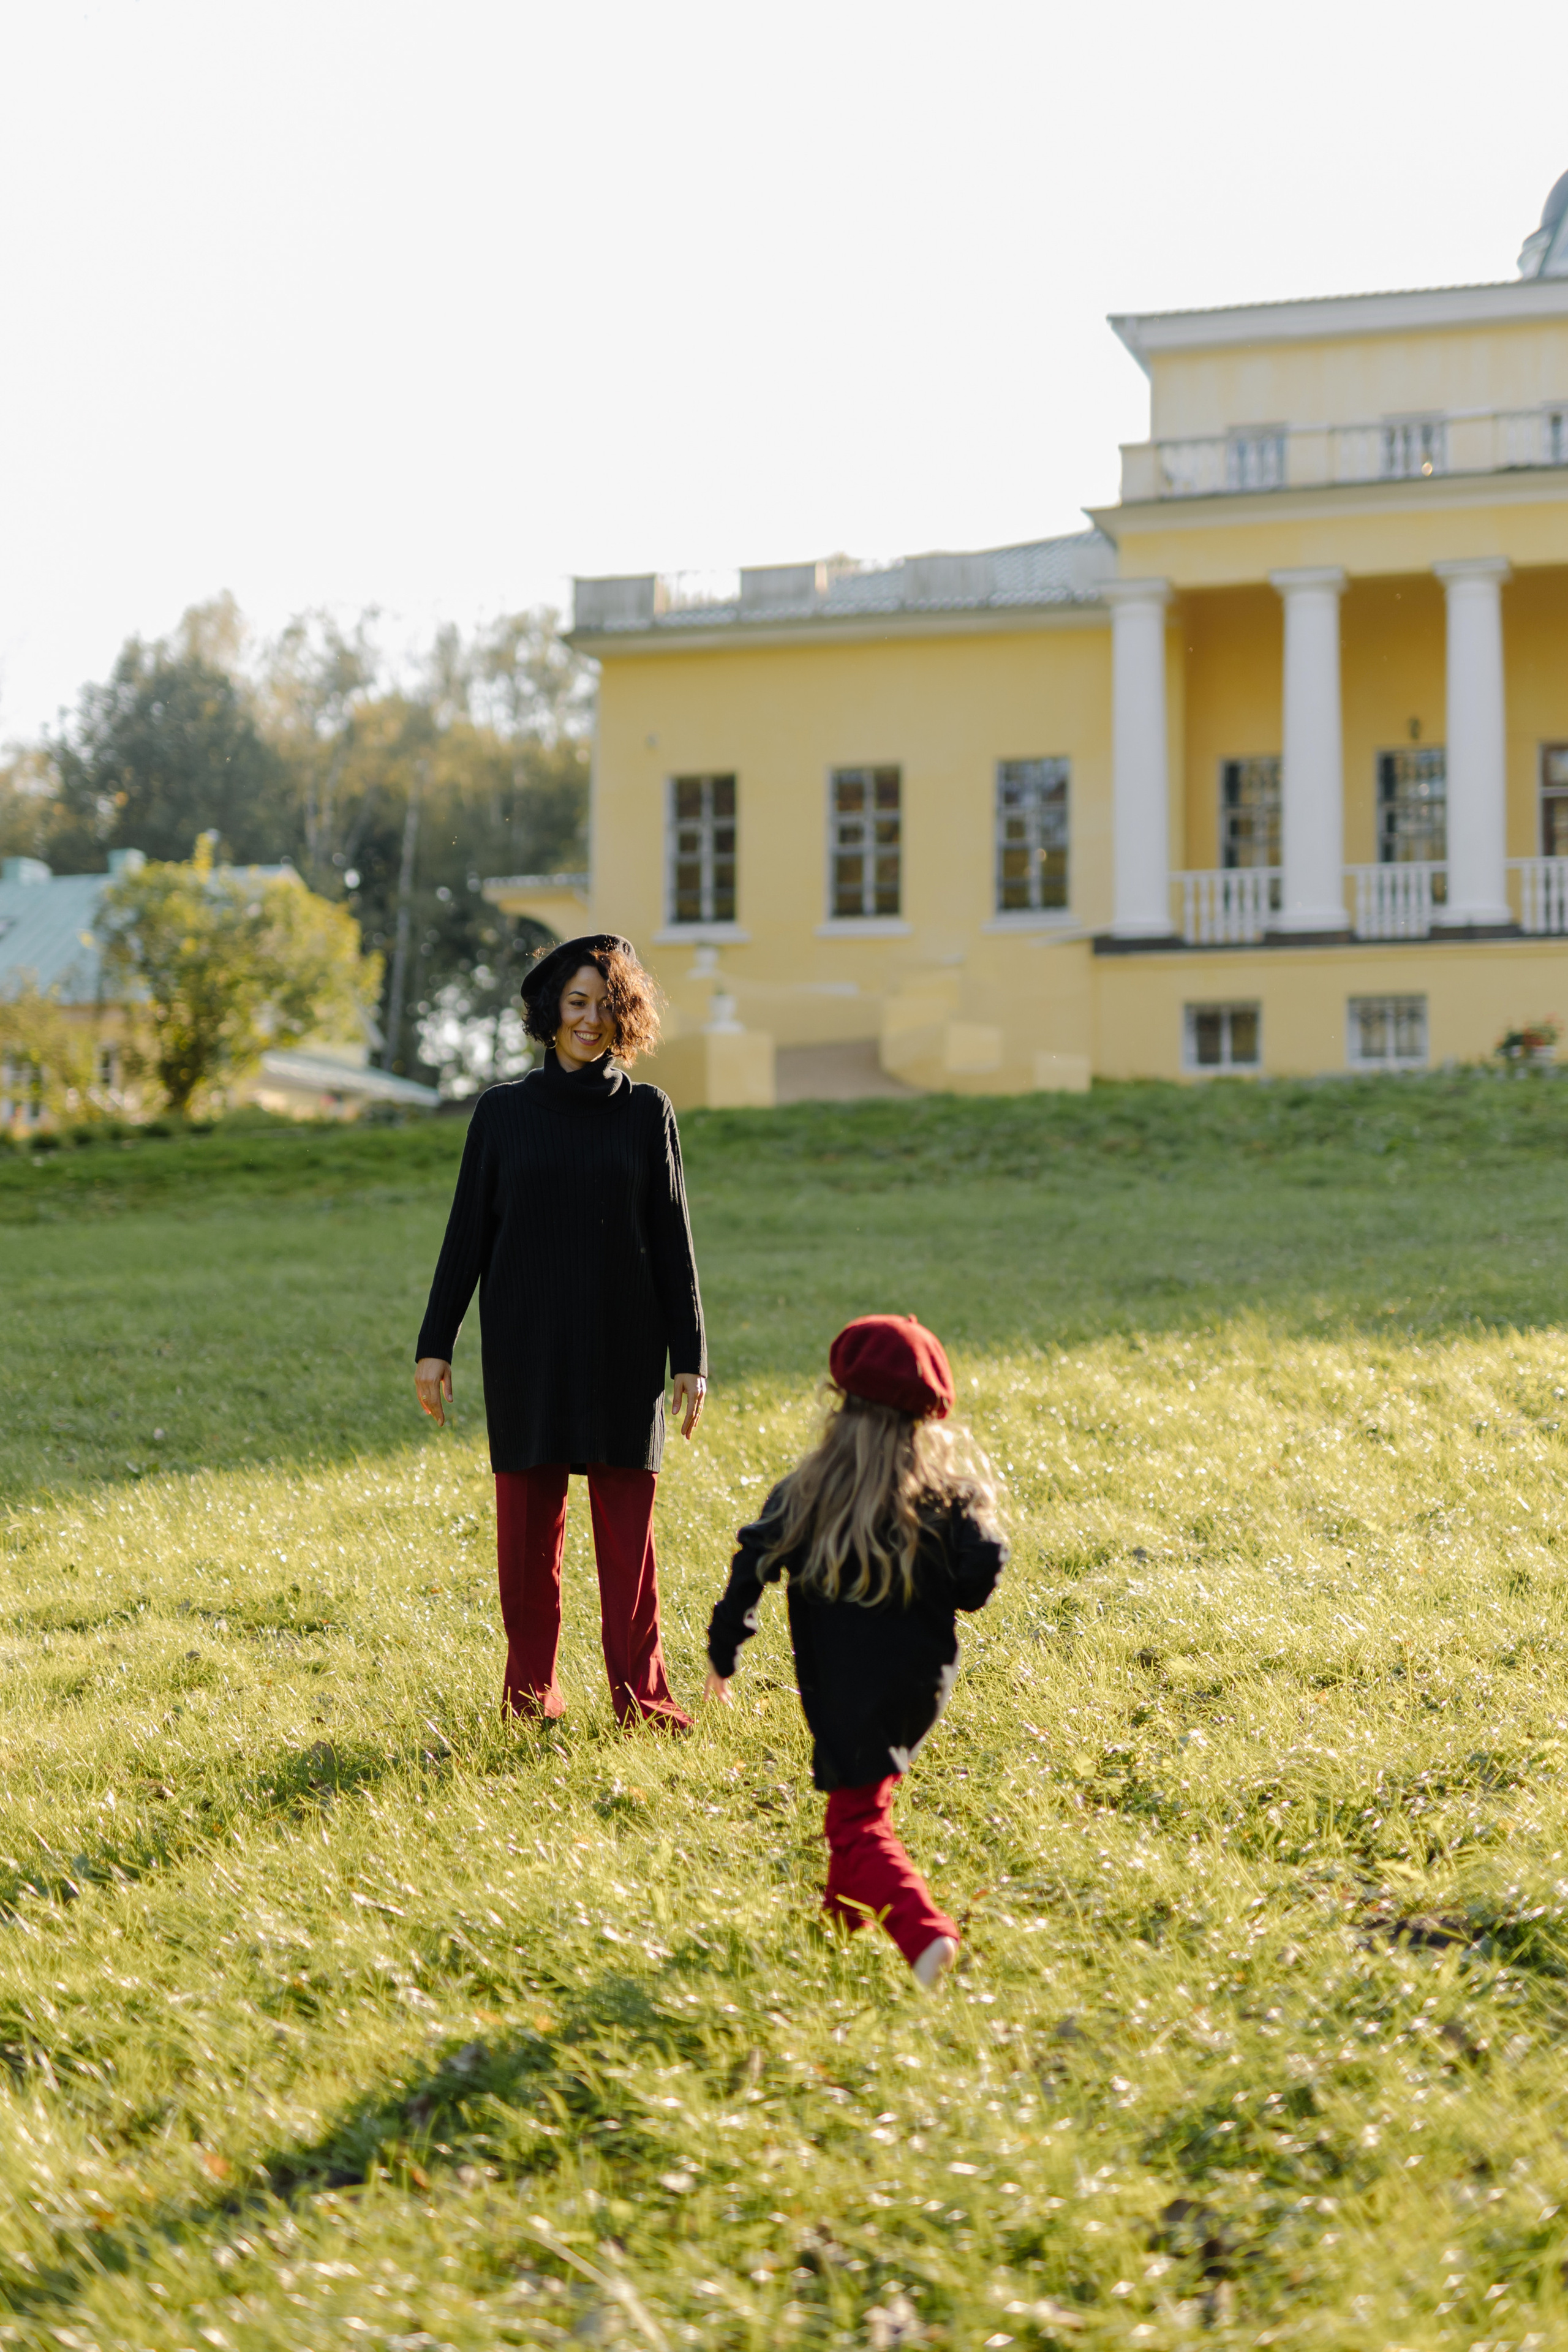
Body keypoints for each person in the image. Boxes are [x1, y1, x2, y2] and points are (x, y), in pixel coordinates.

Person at [414, 933, 706, 1730]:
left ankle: (643, 1699)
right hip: (527, 1350)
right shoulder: (502, 1113)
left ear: (626, 1016)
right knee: (526, 1545)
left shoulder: (647, 1112)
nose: (590, 1019)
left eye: (607, 1005)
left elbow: (673, 1238)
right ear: (551, 1011)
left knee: (629, 1547)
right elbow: (467, 1235)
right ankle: (529, 1696)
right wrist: (435, 1344)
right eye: (577, 1003)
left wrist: (691, 1355)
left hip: (627, 1350)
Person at [703, 1314, 1006, 1986]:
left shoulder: (805, 1494)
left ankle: (925, 1935)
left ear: (839, 1403)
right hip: (919, 1685)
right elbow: (978, 1577)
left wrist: (724, 1654)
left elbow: (750, 1566)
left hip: (845, 1693)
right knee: (859, 1798)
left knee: (856, 1823)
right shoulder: (944, 1500)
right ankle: (841, 1926)